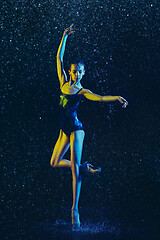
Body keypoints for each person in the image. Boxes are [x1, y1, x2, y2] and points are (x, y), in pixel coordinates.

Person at [50, 24, 128, 228]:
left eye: (81, 72)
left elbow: (100, 98)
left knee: (74, 172)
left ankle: (74, 210)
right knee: (54, 162)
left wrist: (116, 98)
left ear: (84, 73)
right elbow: (58, 58)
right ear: (70, 71)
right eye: (75, 71)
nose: (77, 75)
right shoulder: (63, 82)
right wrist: (64, 36)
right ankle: (84, 167)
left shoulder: (82, 91)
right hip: (63, 131)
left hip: (77, 130)